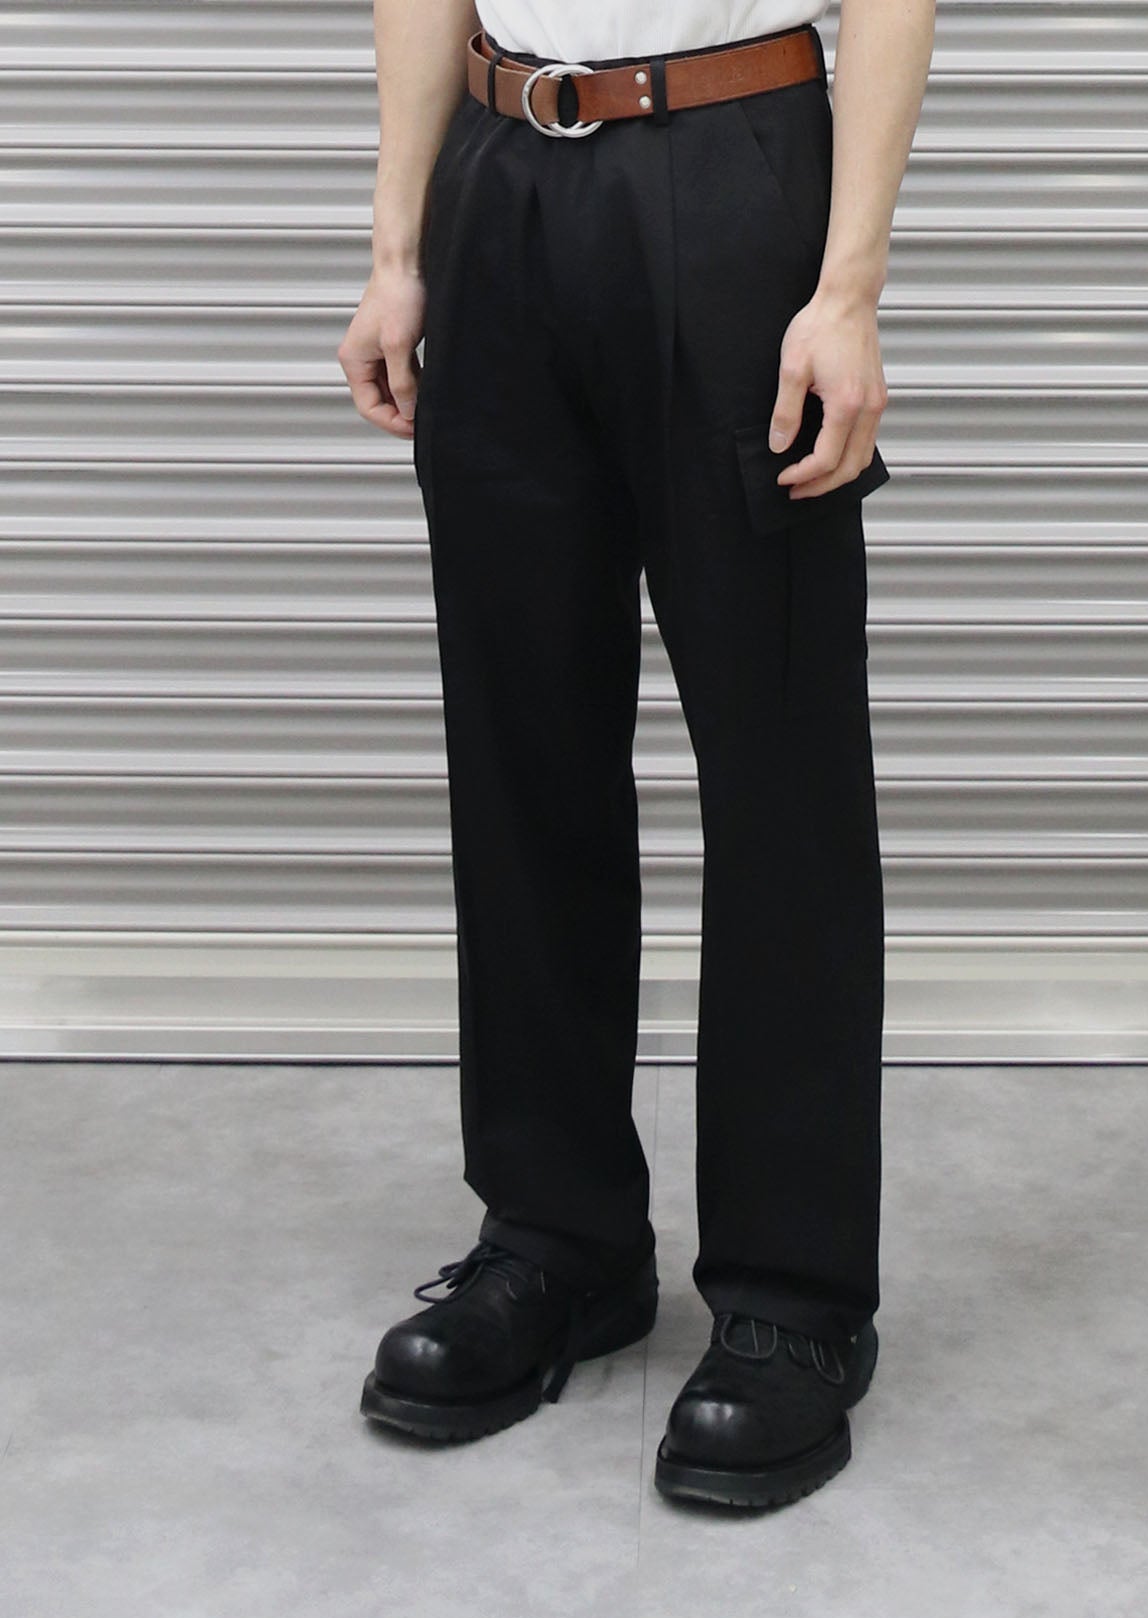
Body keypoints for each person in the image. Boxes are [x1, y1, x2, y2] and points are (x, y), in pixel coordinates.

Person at [338, 0, 934, 1509]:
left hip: (733, 168)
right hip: (498, 180)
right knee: (521, 747)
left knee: (780, 764)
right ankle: (559, 1239)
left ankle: (795, 1296)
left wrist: (848, 288)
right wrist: (399, 249)